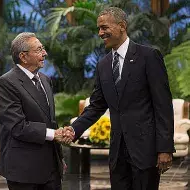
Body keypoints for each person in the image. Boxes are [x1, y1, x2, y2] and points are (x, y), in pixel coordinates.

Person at [63, 7, 174, 190]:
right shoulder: (103, 65)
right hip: (117, 154)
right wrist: (74, 130)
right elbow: (96, 105)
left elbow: (162, 105)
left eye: (104, 27)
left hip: (145, 152)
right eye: (99, 29)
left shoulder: (148, 56)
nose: (100, 33)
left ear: (122, 26)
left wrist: (165, 148)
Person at [0, 32, 67, 190]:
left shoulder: (45, 80)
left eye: (43, 49)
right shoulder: (6, 83)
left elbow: (50, 121)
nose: (45, 53)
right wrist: (53, 134)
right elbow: (17, 127)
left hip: (51, 169)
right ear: (23, 56)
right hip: (24, 170)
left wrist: (59, 157)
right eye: (39, 50)